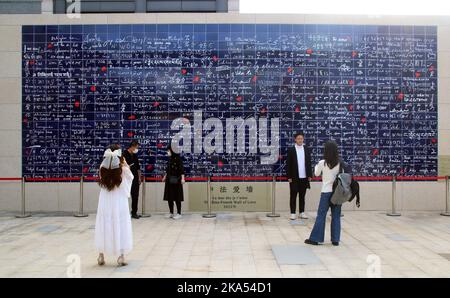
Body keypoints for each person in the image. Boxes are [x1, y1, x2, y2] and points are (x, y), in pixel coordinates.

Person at [95, 146, 134, 266]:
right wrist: (126, 165)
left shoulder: (102, 167)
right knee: (120, 225)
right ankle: (121, 257)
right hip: (119, 200)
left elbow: (102, 181)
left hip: (105, 200)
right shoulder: (123, 169)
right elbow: (131, 178)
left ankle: (101, 256)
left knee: (104, 224)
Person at [305, 140, 342, 246]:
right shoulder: (340, 163)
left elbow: (316, 173)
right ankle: (335, 240)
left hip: (326, 191)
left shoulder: (322, 163)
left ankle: (316, 238)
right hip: (337, 193)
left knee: (321, 215)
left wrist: (317, 166)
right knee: (336, 215)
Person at [286, 132, 312, 220]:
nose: (300, 140)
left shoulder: (306, 149)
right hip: (294, 177)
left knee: (302, 195)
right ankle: (292, 213)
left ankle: (301, 212)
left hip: (304, 177)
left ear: (303, 139)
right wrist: (288, 176)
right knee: (293, 195)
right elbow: (288, 164)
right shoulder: (291, 150)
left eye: (301, 138)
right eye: (298, 138)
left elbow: (309, 162)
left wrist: (309, 175)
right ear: (295, 139)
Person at [162, 144, 185, 220]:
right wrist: (165, 177)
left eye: (168, 150)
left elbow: (181, 170)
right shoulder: (170, 158)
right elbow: (167, 169)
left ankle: (179, 213)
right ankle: (171, 212)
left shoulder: (178, 158)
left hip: (177, 180)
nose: (168, 152)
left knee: (177, 197)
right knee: (170, 197)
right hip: (169, 180)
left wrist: (182, 179)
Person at [122, 140, 142, 219]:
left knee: (135, 195)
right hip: (126, 178)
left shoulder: (135, 155)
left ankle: (134, 212)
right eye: (136, 147)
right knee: (124, 196)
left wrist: (139, 178)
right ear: (133, 146)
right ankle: (124, 213)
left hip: (135, 178)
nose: (137, 149)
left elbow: (138, 168)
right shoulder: (124, 154)